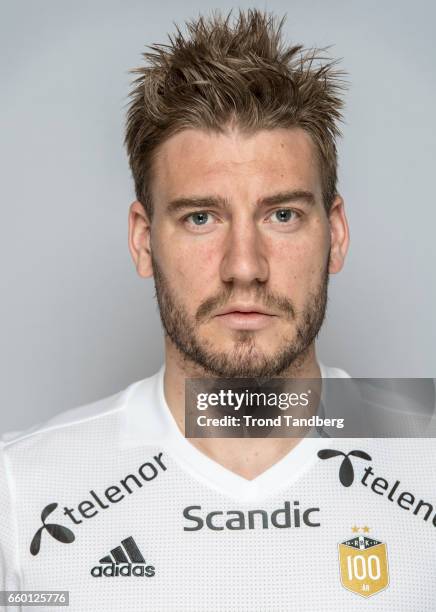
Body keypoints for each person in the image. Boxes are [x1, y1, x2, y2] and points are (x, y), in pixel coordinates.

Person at [0, 9, 435, 611]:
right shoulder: (21, 494)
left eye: (282, 215)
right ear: (143, 239)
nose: (244, 266)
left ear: (334, 234)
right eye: (200, 218)